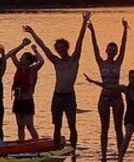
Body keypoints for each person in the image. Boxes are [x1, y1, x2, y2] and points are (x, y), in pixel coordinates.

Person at [24, 12, 90, 149]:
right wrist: (32, 32)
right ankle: (55, 150)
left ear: (67, 48)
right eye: (58, 49)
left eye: (62, 48)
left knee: (72, 124)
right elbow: (43, 46)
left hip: (69, 96)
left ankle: (73, 150)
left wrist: (84, 22)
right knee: (57, 125)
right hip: (57, 96)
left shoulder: (74, 59)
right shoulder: (56, 61)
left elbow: (80, 40)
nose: (60, 50)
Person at [88, 18, 129, 162]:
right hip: (104, 98)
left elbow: (124, 45)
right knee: (104, 128)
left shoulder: (118, 62)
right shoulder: (101, 62)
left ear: (116, 52)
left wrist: (125, 29)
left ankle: (120, 156)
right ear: (106, 51)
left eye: (114, 50)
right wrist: (92, 31)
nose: (112, 52)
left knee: (119, 128)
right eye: (110, 50)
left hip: (117, 98)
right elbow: (95, 47)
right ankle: (104, 156)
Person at [11, 45, 45, 142]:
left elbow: (41, 61)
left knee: (29, 125)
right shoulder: (19, 67)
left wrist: (35, 50)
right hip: (18, 101)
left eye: (23, 58)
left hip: (27, 101)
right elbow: (12, 54)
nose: (20, 59)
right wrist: (23, 45)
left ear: (28, 61)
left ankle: (37, 144)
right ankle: (21, 143)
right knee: (20, 126)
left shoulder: (33, 70)